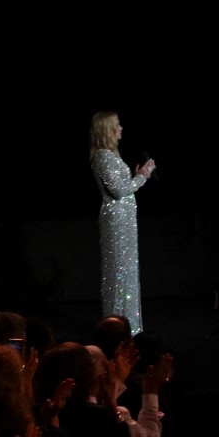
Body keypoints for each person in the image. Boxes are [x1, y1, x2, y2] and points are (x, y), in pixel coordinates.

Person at [87, 112, 155, 332]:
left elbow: (122, 185)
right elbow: (118, 191)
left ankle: (129, 325)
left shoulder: (109, 155)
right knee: (119, 273)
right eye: (117, 125)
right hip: (116, 221)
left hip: (124, 220)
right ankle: (119, 328)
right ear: (107, 129)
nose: (121, 128)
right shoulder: (103, 156)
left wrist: (133, 177)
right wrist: (142, 177)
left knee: (126, 272)